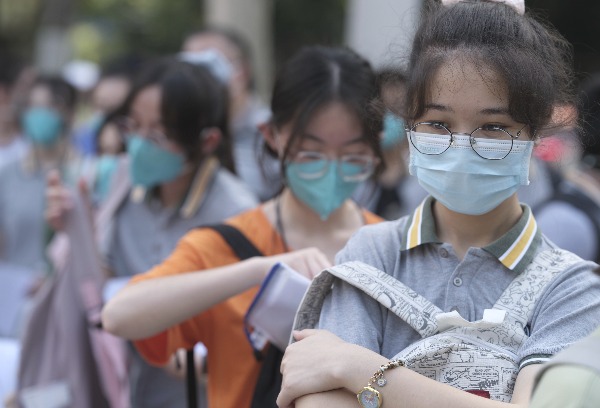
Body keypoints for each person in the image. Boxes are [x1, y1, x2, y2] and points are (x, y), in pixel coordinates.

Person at [276, 1, 600, 407]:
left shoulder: (570, 286)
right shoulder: (370, 255)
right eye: (438, 124)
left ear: (533, 134)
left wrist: (357, 366)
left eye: (493, 127)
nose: (462, 144)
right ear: (409, 124)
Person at [101, 45, 386, 408]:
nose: (330, 168)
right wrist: (257, 269)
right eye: (311, 152)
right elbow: (119, 316)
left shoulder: (391, 247)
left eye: (352, 155)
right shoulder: (226, 244)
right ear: (271, 135)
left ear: (376, 150)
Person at [46, 57, 258, 408]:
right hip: (119, 384)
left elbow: (245, 325)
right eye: (134, 127)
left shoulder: (235, 212)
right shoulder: (117, 180)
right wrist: (75, 228)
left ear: (207, 141)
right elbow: (100, 282)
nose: (140, 145)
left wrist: (202, 355)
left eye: (158, 134)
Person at [182, 26, 280, 201]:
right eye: (189, 66)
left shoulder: (274, 131)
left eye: (209, 64)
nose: (197, 77)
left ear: (243, 71)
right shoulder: (178, 135)